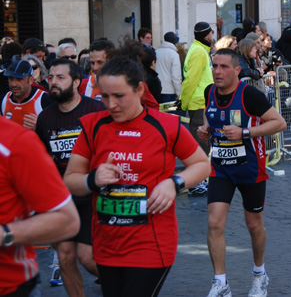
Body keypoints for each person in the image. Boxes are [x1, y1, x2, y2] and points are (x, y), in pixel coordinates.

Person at [63, 54, 211, 297]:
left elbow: (202, 165)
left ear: (140, 89)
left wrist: (174, 183)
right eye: (105, 96)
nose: (111, 105)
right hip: (106, 242)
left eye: (119, 96)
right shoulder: (93, 126)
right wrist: (93, 178)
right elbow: (70, 180)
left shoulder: (166, 125)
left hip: (151, 243)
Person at [197, 48, 286, 297]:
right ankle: (221, 282)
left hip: (249, 168)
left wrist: (245, 132)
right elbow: (209, 113)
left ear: (236, 70)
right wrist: (206, 128)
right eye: (214, 66)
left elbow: (279, 123)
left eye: (223, 67)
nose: (217, 71)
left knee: (253, 225)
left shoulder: (250, 95)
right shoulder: (209, 91)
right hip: (220, 168)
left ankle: (259, 274)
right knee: (214, 222)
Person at [35, 59, 105, 296]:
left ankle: (123, 283)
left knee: (86, 257)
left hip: (91, 194)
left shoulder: (95, 111)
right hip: (61, 200)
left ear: (76, 82)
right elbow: (44, 160)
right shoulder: (45, 118)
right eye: (51, 77)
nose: (53, 82)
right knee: (65, 257)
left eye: (60, 77)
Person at [0, 115, 80, 297]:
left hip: (10, 287)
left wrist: (5, 234)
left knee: (84, 257)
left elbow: (67, 220)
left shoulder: (15, 141)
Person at [181, 22, 214, 156]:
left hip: (201, 101)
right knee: (201, 143)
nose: (213, 34)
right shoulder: (199, 52)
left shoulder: (200, 50)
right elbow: (191, 81)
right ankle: (201, 174)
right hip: (199, 102)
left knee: (204, 141)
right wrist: (183, 103)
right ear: (206, 36)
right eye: (211, 32)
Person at [1, 59, 53, 129]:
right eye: (11, 79)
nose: (13, 84)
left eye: (19, 79)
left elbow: (58, 130)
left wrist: (40, 127)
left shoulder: (44, 100)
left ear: (31, 80)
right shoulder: (3, 100)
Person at [156, 31, 183, 103]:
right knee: (169, 113)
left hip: (157, 90)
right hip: (170, 91)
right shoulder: (174, 54)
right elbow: (176, 76)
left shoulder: (156, 52)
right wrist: (179, 93)